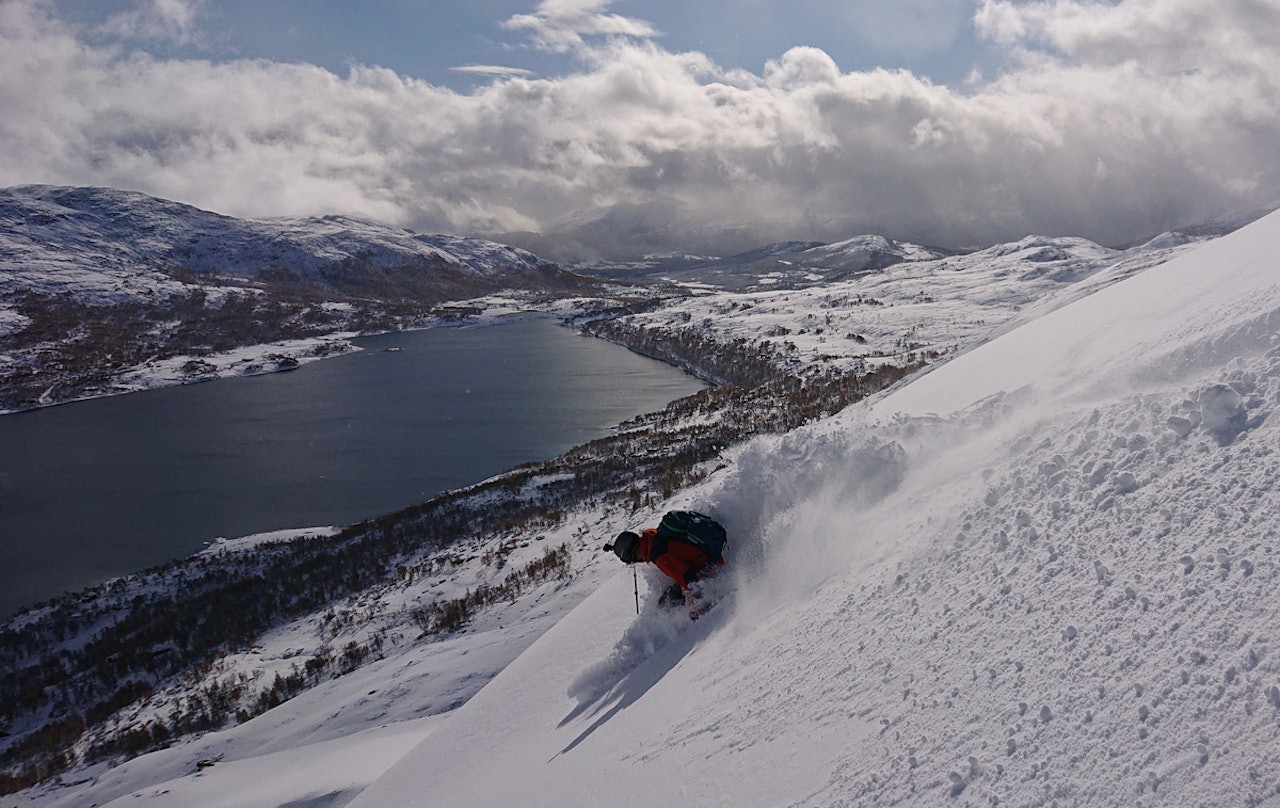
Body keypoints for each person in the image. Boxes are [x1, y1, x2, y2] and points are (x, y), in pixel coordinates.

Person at [604, 511, 726, 615]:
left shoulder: (659, 556)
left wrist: (694, 609)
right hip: (706, 555)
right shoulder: (653, 536)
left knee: (668, 602)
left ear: (632, 555)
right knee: (671, 594)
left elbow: (688, 577)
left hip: (711, 565)